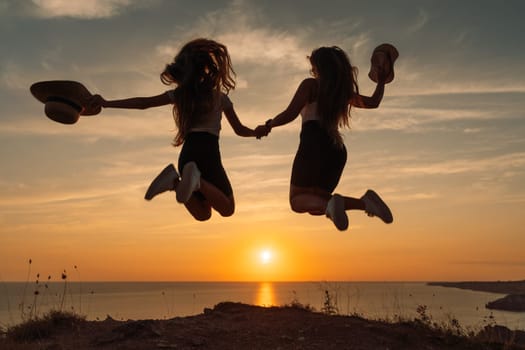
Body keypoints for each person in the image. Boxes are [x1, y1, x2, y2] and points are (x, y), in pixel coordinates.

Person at [90, 38, 268, 221]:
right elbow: (240, 130)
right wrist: (257, 132)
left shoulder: (180, 95)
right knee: (228, 209)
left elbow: (143, 104)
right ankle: (196, 181)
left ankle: (175, 182)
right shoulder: (219, 98)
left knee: (203, 214)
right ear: (205, 68)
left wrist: (106, 103)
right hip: (208, 152)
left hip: (188, 155)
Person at [258, 46, 393, 231]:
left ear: (319, 66)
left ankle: (348, 204)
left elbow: (290, 113)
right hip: (336, 150)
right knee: (317, 205)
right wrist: (382, 82)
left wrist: (269, 125)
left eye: (313, 65)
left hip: (313, 143)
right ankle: (366, 203)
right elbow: (373, 102)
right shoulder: (342, 92)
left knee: (297, 201)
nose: (312, 69)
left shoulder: (311, 85)